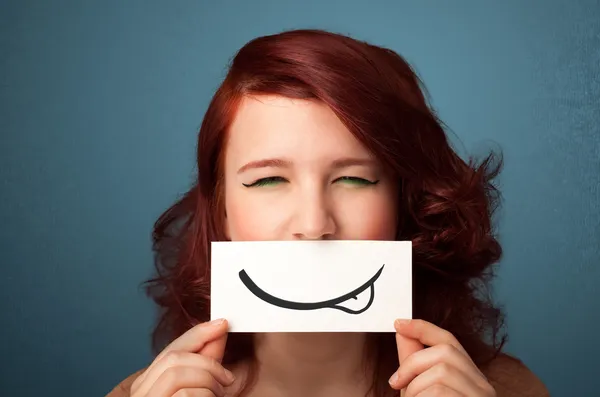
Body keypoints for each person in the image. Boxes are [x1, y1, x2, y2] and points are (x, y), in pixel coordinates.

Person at [107, 29, 549, 397]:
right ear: (220, 210)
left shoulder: (505, 390)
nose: (314, 225)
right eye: (267, 181)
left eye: (354, 179)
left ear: (404, 202)